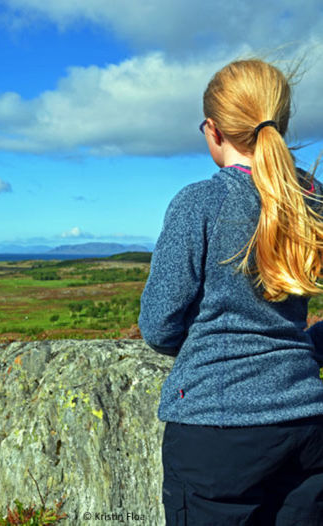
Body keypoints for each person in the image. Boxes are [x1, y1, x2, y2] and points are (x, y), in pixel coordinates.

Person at [138, 59, 323, 526]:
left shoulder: (200, 202)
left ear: (213, 130)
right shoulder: (312, 199)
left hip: (216, 437)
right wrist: (309, 348)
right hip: (309, 426)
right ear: (278, 124)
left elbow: (159, 324)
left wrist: (212, 350)